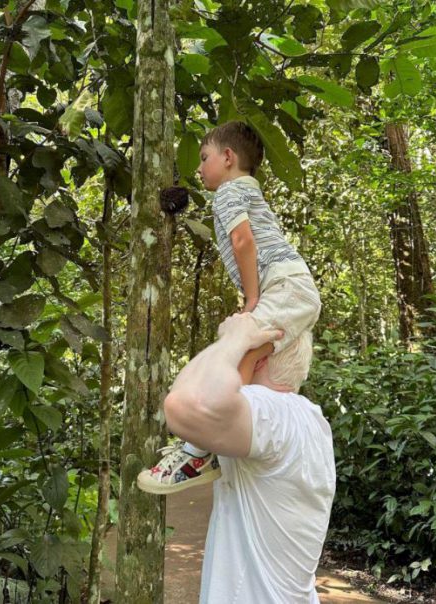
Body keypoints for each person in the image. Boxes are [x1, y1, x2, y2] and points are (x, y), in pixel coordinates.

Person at [138, 120, 322, 494]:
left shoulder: (229, 192)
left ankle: (197, 450)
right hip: (291, 287)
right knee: (250, 358)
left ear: (228, 157)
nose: (199, 166)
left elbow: (243, 242)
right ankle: (217, 444)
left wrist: (251, 301)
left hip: (284, 286)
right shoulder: (245, 191)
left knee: (240, 348)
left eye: (204, 158)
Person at [164, 313, 336, 603]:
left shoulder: (271, 411)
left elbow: (185, 405)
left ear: (259, 359)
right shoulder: (310, 419)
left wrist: (235, 339)